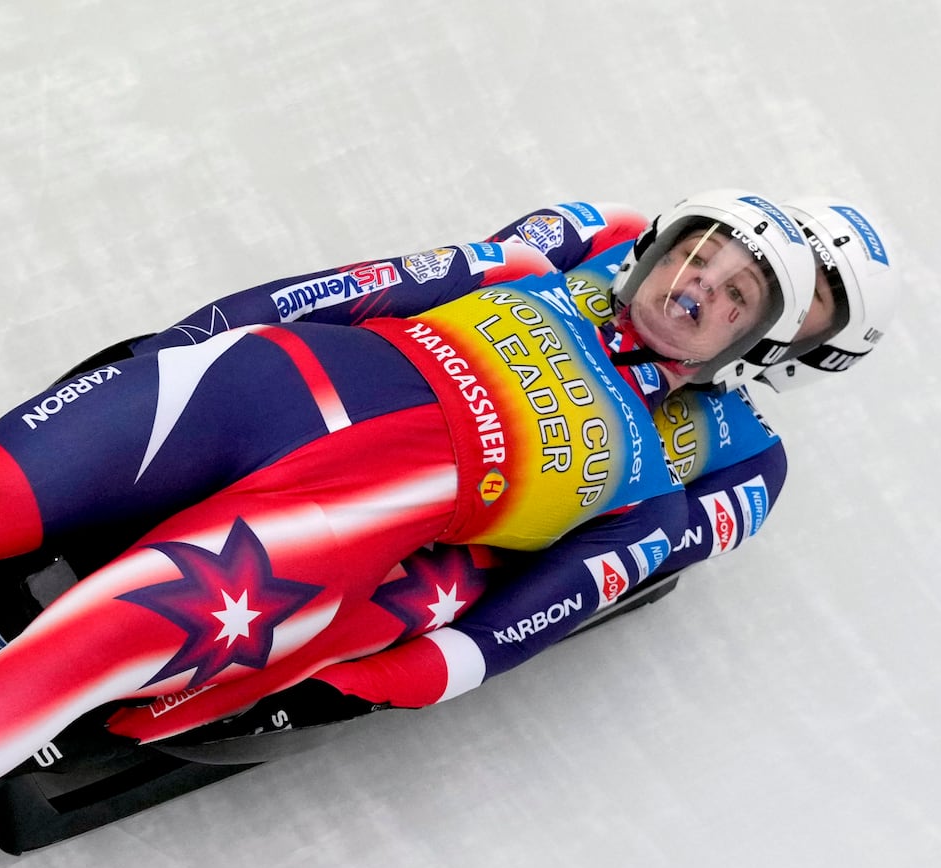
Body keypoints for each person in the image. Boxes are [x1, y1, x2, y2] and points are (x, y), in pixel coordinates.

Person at [0, 189, 817, 868]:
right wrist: (184, 345)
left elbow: (566, 593)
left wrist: (393, 671)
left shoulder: (721, 456)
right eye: (701, 246)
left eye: (736, 289)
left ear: (754, 348)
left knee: (111, 631)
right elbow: (378, 283)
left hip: (351, 511)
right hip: (259, 385)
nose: (699, 276)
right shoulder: (574, 242)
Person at [177, 195, 901, 743]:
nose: (788, 283)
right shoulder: (617, 237)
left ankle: (337, 672)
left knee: (460, 577)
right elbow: (449, 277)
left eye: (819, 296)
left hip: (483, 526)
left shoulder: (753, 455)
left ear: (823, 348)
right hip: (409, 394)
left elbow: (646, 555)